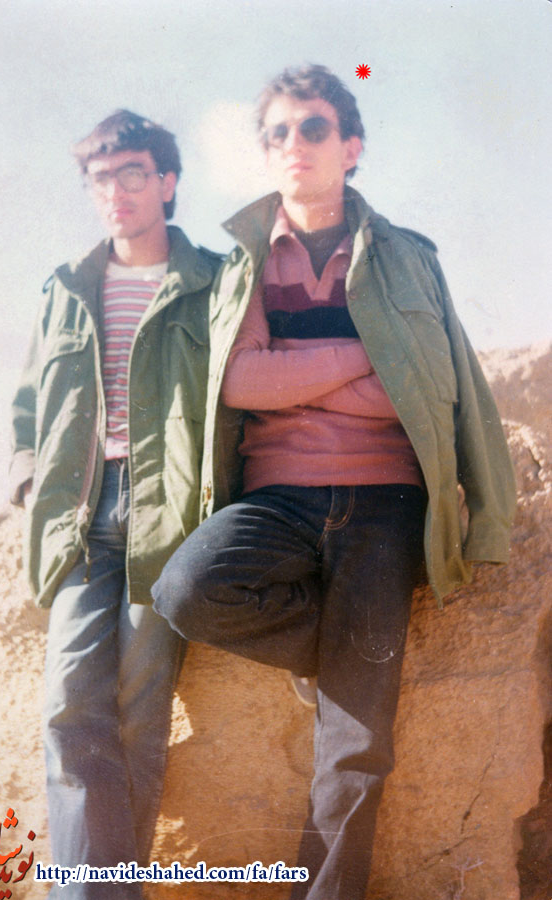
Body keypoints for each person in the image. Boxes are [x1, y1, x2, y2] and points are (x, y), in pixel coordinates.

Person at [151, 65, 516, 900]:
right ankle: (344, 659)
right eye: (276, 132)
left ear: (350, 146)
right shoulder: (242, 264)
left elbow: (433, 384)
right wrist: (363, 358)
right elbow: (239, 382)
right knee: (187, 589)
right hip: (275, 498)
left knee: (355, 744)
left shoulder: (405, 259)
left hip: (387, 502)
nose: (294, 145)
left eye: (312, 127)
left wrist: (298, 373)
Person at [10, 109, 220, 898]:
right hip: (82, 511)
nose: (115, 192)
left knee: (138, 708)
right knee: (70, 704)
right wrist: (30, 480)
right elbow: (29, 406)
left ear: (166, 182)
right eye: (100, 179)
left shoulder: (212, 280)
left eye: (132, 174)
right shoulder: (66, 287)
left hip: (168, 513)